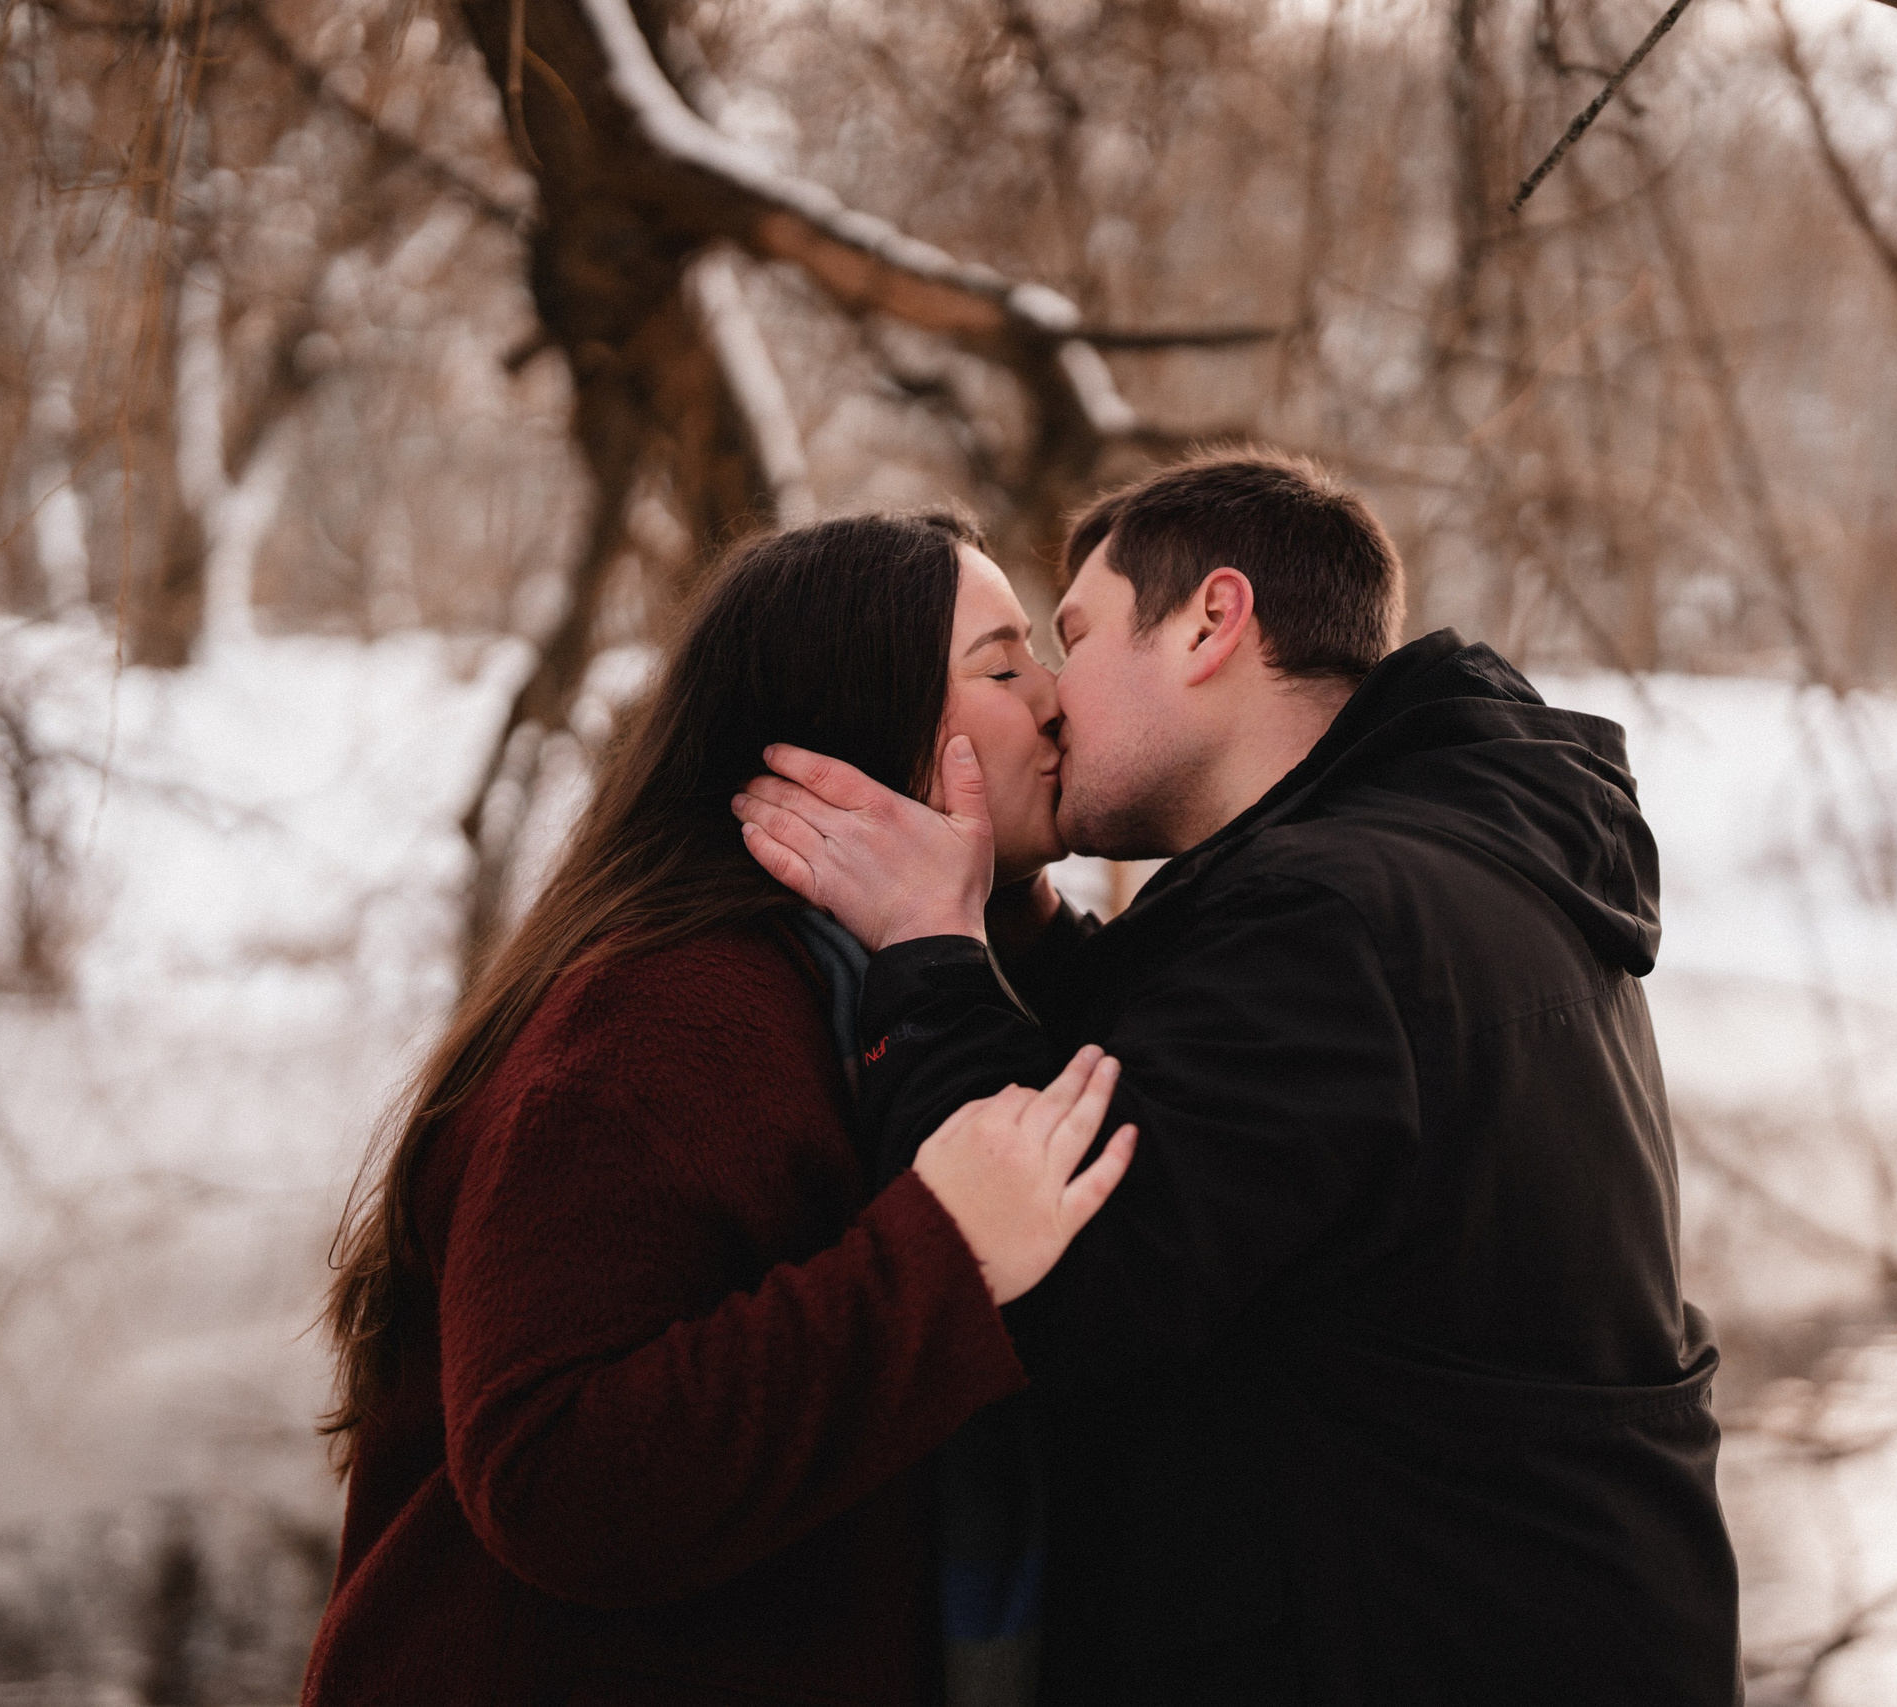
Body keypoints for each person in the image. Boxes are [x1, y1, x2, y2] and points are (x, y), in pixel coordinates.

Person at [734, 453, 1742, 1706]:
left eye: (1074, 637)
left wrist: (928, 949)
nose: (1049, 700)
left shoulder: (1332, 919)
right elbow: (1193, 1100)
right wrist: (1025, 920)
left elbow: (1035, 1267)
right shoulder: (1437, 865)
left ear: (1212, 621)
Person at [303, 512, 1135, 1707]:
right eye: (1004, 668)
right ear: (853, 737)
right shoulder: (660, 1023)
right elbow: (553, 1475)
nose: (1056, 702)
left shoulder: (892, 980)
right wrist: (941, 1260)